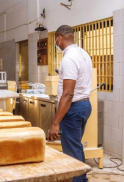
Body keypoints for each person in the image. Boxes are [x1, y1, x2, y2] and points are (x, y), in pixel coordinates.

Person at [47, 25, 92, 182]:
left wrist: (55, 123)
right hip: (85, 105)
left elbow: (68, 94)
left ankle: (79, 180)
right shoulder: (83, 54)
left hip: (73, 108)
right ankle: (82, 178)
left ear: (59, 38)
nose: (56, 44)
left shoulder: (69, 58)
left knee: (71, 151)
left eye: (55, 41)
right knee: (76, 146)